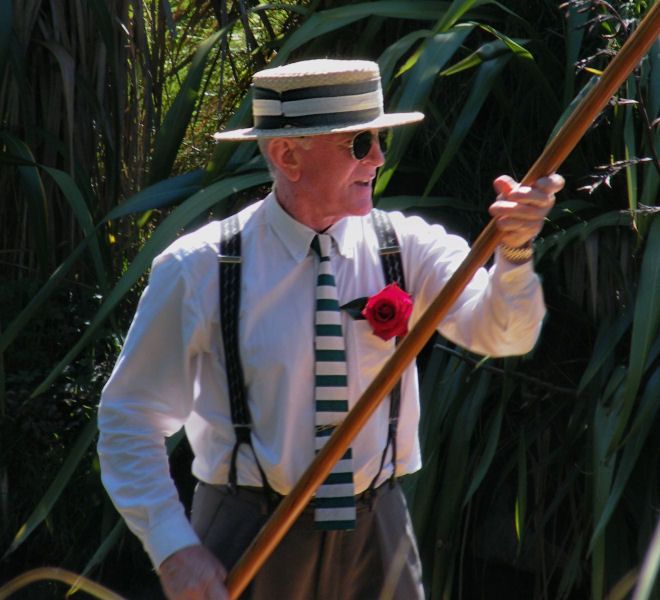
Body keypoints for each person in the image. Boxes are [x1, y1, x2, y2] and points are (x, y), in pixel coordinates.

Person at [97, 58, 564, 600]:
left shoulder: (406, 246)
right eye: (360, 142)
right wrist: (174, 548)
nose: (379, 159)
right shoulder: (200, 266)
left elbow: (506, 335)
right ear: (287, 155)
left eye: (380, 140)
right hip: (250, 534)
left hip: (379, 531)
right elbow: (129, 417)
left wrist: (514, 249)